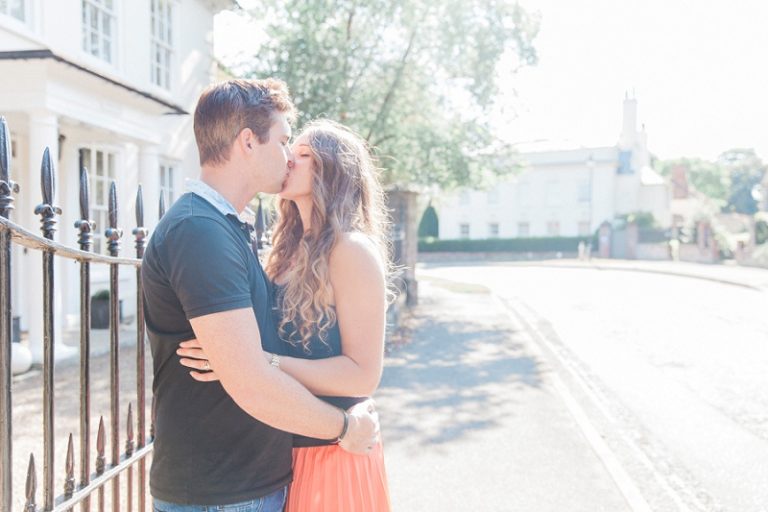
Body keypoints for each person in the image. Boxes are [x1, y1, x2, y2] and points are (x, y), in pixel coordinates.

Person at [141, 79, 379, 512]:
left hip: (257, 480)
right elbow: (250, 382)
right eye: (286, 141)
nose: (288, 156)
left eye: (300, 150)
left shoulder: (231, 228)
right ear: (248, 142)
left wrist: (255, 358)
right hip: (223, 491)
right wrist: (345, 427)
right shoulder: (200, 230)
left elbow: (258, 362)